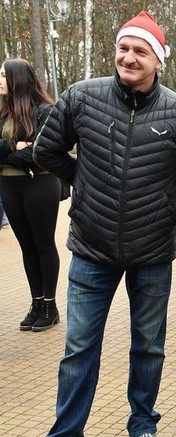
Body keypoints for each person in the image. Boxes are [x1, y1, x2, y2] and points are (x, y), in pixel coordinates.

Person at [11, 11, 176, 437]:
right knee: (79, 348)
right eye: (123, 48)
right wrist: (89, 182)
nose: (128, 57)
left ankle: (143, 425)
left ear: (157, 60)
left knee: (148, 346)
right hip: (91, 248)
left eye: (140, 51)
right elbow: (45, 152)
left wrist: (152, 195)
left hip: (153, 249)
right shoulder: (82, 96)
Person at [0, 58, 61, 331]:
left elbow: (41, 154)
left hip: (40, 185)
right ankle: (36, 302)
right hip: (9, 186)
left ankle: (50, 304)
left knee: (43, 243)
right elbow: (23, 152)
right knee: (26, 246)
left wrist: (9, 151)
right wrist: (17, 147)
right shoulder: (1, 112)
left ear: (17, 79)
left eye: (3, 75)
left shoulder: (45, 111)